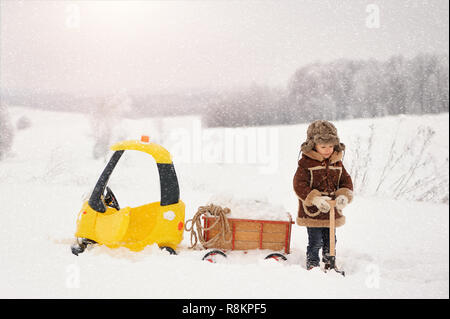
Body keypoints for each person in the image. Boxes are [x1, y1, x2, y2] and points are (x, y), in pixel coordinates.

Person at [293, 120, 353, 270]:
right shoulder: (306, 164)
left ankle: (329, 262)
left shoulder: (337, 163)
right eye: (323, 146)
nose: (328, 150)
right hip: (314, 212)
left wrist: (343, 196)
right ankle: (312, 263)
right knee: (315, 240)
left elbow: (346, 181)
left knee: (331, 239)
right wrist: (315, 198)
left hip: (332, 211)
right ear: (313, 145)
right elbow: (299, 185)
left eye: (331, 146)